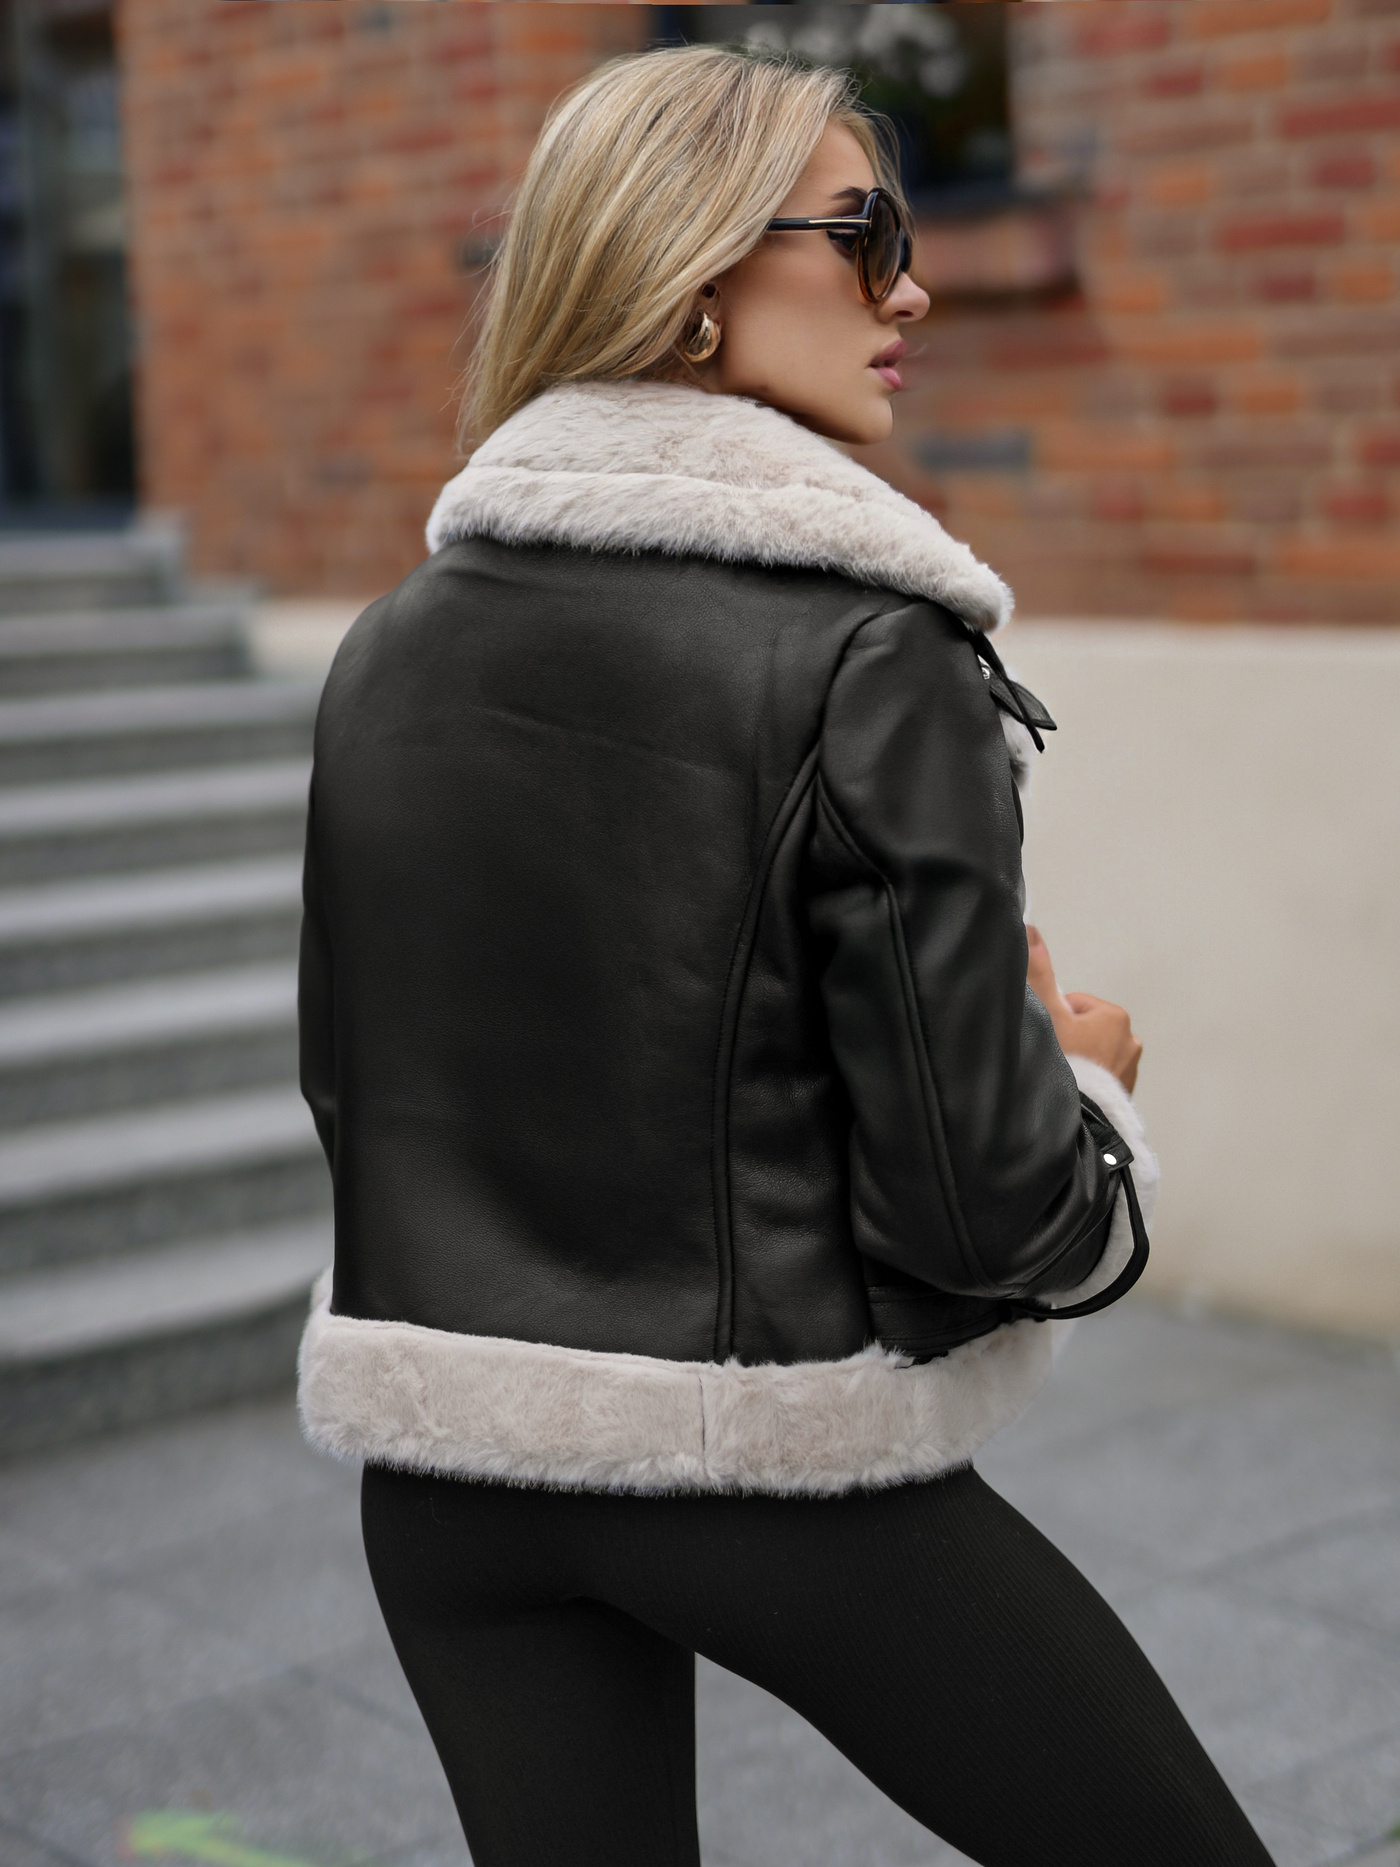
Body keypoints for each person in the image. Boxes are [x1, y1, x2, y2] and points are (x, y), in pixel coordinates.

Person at [295, 44, 1275, 1867]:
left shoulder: (387, 645)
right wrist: (1087, 1093)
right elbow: (984, 1213)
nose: (913, 288)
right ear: (690, 279)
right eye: (866, 232)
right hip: (757, 1466)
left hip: (440, 1484)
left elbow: (356, 1085)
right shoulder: (874, 649)